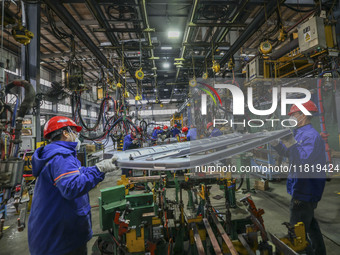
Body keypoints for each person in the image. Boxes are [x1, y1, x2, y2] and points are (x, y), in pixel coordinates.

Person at [28, 116, 118, 255]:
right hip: (61, 241)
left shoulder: (54, 154)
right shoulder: (60, 157)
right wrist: (99, 169)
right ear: (65, 133)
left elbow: (79, 173)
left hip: (53, 233)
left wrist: (100, 168)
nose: (76, 136)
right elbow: (72, 187)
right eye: (74, 132)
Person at [271, 100, 326, 255]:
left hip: (305, 189)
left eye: (294, 114)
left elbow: (302, 160)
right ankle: (320, 252)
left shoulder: (310, 136)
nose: (292, 117)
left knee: (297, 231)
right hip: (302, 187)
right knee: (310, 224)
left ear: (304, 115)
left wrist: (288, 141)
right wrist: (276, 143)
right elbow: (289, 153)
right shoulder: (300, 133)